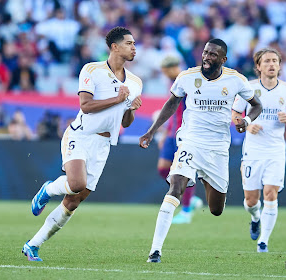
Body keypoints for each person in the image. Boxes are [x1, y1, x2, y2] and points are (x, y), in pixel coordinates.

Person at [22, 26, 142, 261]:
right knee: (76, 183)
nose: (134, 48)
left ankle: (33, 244)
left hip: (104, 145)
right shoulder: (92, 70)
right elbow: (85, 106)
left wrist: (131, 109)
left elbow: (125, 122)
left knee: (73, 201)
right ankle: (47, 189)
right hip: (81, 135)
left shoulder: (136, 82)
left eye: (134, 43)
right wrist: (117, 98)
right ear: (115, 47)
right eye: (129, 43)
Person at [139, 38, 263, 263]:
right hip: (190, 141)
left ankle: (205, 180)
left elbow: (257, 105)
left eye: (213, 54)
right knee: (175, 187)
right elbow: (172, 103)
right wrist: (151, 130)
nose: (207, 57)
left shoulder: (236, 80)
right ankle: (155, 251)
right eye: (205, 52)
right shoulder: (187, 77)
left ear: (223, 59)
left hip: (217, 149)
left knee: (216, 209)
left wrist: (246, 120)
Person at [231, 47, 286, 253]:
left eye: (275, 61)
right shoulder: (248, 89)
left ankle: (264, 241)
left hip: (276, 151)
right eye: (267, 61)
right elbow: (234, 114)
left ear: (279, 66)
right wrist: (246, 124)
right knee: (251, 200)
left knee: (271, 194)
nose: (271, 64)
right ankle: (255, 218)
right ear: (258, 66)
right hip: (253, 151)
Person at [157, 56, 203, 224]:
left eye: (165, 71)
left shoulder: (187, 82)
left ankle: (186, 211)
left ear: (173, 67)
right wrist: (165, 133)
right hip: (171, 133)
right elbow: (172, 110)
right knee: (163, 169)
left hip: (185, 134)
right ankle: (190, 199)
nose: (164, 74)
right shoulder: (172, 83)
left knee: (184, 171)